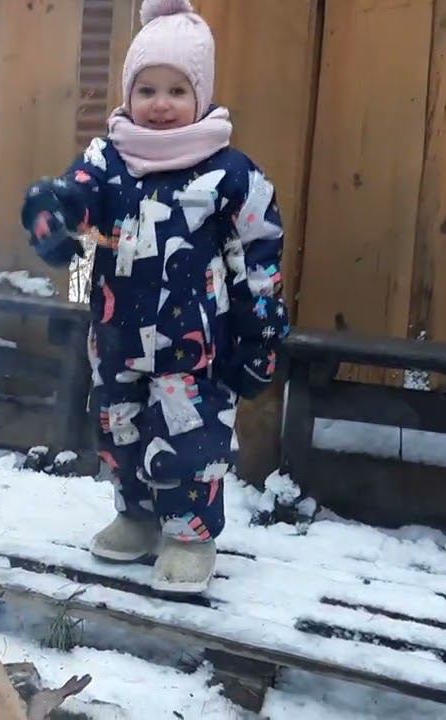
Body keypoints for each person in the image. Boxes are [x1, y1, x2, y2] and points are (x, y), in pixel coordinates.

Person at [19, 0, 289, 594]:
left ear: (201, 96)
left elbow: (259, 251)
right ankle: (136, 518)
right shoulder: (109, 161)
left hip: (193, 349)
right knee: (120, 429)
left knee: (188, 439)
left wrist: (262, 325)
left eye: (176, 90)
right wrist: (52, 211)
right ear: (128, 94)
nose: (160, 104)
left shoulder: (229, 174)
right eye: (146, 90)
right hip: (117, 341)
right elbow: (77, 194)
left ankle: (190, 535)